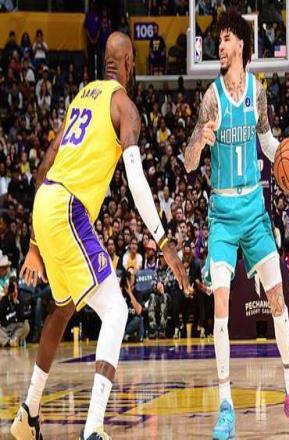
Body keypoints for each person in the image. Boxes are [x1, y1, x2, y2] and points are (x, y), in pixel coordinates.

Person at [11, 32, 188, 440]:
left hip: (46, 202)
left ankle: (29, 413)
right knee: (117, 311)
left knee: (62, 309)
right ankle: (92, 430)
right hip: (68, 208)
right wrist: (164, 243)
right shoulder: (125, 106)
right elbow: (137, 182)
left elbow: (44, 168)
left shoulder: (81, 98)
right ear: (129, 63)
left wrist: (35, 243)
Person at [183, 12, 289, 439]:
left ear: (240, 43)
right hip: (222, 215)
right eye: (218, 41)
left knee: (280, 301)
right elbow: (188, 163)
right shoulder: (211, 98)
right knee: (221, 308)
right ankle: (226, 406)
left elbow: (268, 141)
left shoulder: (257, 92)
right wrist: (199, 141)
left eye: (225, 39)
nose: (219, 47)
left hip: (255, 212)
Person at [0, 277, 30, 347]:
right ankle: (10, 341)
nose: (14, 290)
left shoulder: (20, 299)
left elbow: (22, 318)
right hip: (5, 328)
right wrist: (4, 299)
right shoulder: (4, 299)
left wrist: (16, 302)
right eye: (12, 288)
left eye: (15, 288)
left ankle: (9, 341)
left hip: (17, 328)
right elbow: (1, 316)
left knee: (26, 325)